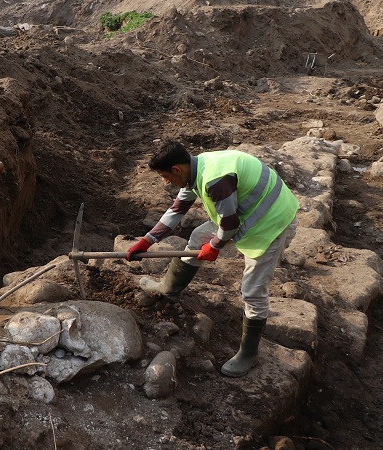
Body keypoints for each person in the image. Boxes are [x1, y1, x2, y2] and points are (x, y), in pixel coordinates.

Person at [128, 141, 299, 378]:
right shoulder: (196, 168)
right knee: (199, 236)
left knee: (252, 290)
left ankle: (248, 354)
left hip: (272, 221)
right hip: (247, 212)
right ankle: (169, 288)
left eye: (164, 176)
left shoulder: (215, 180)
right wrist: (147, 240)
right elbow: (178, 209)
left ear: (177, 169)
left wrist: (215, 246)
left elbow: (228, 225)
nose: (165, 182)